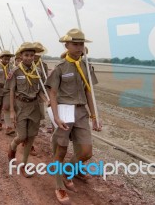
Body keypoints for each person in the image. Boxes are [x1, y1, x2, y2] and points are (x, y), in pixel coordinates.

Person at [45, 28, 102, 204]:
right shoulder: (61, 68)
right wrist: (55, 116)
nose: (79, 47)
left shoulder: (86, 66)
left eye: (81, 44)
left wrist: (94, 116)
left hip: (81, 112)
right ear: (67, 45)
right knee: (60, 150)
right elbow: (52, 94)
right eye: (75, 44)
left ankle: (67, 171)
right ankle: (59, 186)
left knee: (86, 152)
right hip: (64, 110)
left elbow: (88, 92)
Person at [7, 42, 47, 178]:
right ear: (21, 56)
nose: (29, 58)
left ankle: (24, 164)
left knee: (31, 137)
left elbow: (40, 91)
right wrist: (12, 111)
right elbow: (12, 91)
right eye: (26, 55)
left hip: (34, 106)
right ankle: (12, 146)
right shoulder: (15, 71)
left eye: (31, 55)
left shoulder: (38, 72)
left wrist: (47, 101)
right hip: (21, 106)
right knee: (22, 136)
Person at [0, 50, 15, 133]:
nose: (7, 61)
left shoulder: (12, 67)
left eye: (8, 59)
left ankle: (8, 127)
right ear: (1, 58)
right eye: (5, 59)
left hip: (7, 90)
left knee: (6, 107)